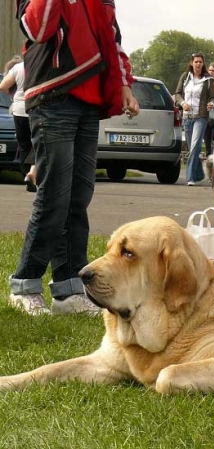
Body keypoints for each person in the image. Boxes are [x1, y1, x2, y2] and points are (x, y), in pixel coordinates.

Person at [8, 0, 139, 316]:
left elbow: (112, 38)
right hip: (53, 98)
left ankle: (68, 290)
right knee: (54, 197)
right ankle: (24, 283)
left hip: (89, 101)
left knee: (78, 198)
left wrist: (124, 86)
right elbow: (35, 29)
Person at [174, 52, 214, 186]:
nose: (198, 64)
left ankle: (190, 177)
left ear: (203, 64)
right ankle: (200, 174)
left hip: (201, 116)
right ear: (191, 63)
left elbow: (212, 97)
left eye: (200, 62)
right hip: (187, 116)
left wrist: (211, 104)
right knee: (194, 148)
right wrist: (182, 103)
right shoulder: (185, 77)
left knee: (195, 146)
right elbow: (178, 93)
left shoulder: (208, 79)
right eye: (196, 62)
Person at [0, 58, 36, 192]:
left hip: (19, 109)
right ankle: (33, 173)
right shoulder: (40, 63)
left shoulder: (18, 67)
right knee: (38, 143)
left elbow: (3, 86)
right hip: (37, 107)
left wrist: (14, 95)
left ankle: (27, 174)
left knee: (24, 144)